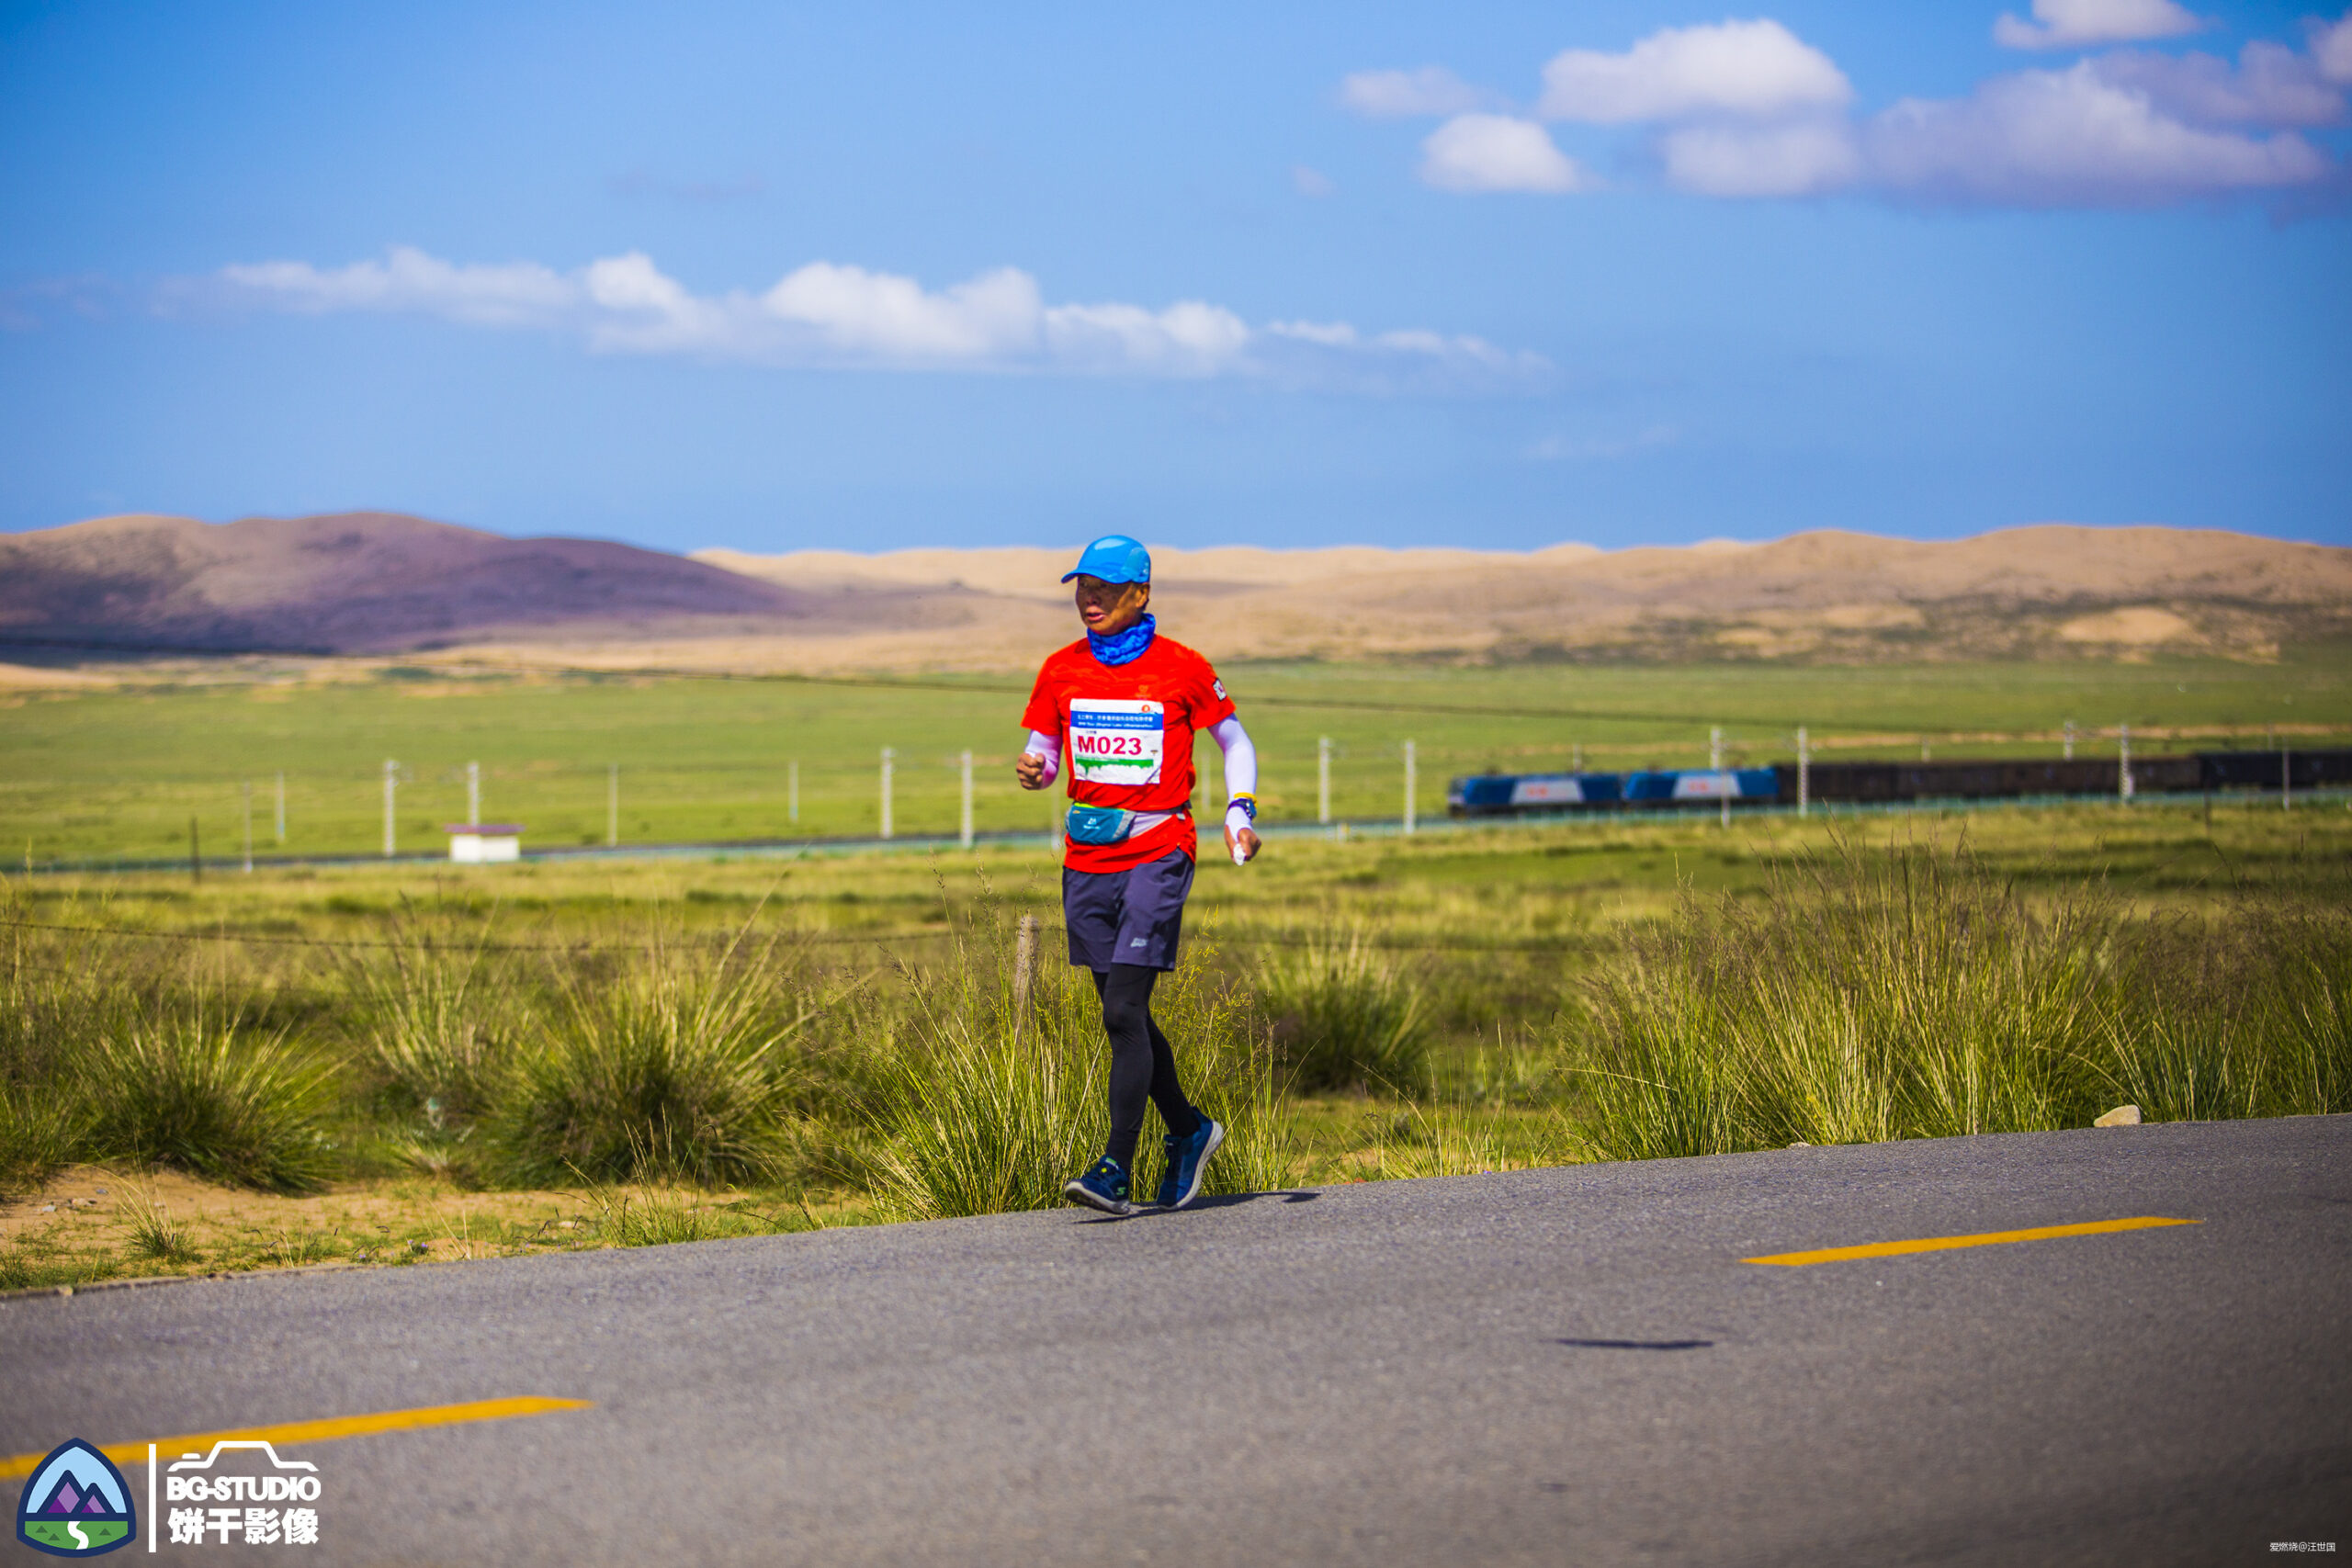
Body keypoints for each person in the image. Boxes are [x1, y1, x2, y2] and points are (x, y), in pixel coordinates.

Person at [1016, 535, 1261, 1216]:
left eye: (1101, 586)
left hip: (1161, 851)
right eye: (1080, 586)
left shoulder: (1182, 667)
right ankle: (1189, 1131)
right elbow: (1042, 752)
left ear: (1140, 593)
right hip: (1087, 858)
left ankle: (1115, 1169)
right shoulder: (1061, 669)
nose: (1086, 597)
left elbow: (1235, 741)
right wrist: (1035, 769)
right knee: (1123, 1015)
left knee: (1124, 1008)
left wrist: (1238, 809)